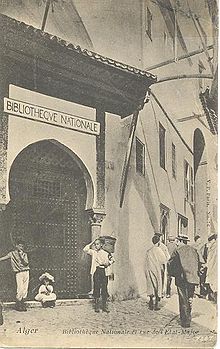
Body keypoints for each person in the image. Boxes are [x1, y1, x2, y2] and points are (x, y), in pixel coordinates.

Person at [168, 235, 200, 328]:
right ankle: (188, 316)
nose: (176, 242)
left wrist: (173, 274)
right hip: (192, 278)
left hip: (181, 279)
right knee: (189, 298)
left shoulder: (177, 250)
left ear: (180, 241)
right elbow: (201, 263)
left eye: (177, 241)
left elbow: (170, 263)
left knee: (183, 299)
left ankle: (185, 321)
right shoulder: (194, 250)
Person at [83, 237, 114, 313]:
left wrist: (108, 263)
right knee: (96, 288)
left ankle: (104, 306)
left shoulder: (106, 253)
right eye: (95, 244)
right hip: (97, 271)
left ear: (101, 245)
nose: (96, 246)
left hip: (104, 271)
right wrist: (92, 242)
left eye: (98, 244)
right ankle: (96, 307)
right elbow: (85, 249)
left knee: (104, 288)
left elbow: (113, 259)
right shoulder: (94, 252)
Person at [0, 239, 29, 311]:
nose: (21, 247)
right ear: (16, 246)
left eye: (22, 246)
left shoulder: (24, 254)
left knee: (25, 289)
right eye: (19, 245)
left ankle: (22, 304)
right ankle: (18, 304)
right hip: (19, 272)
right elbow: (4, 258)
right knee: (20, 288)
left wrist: (22, 256)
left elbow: (26, 263)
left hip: (26, 271)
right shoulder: (12, 253)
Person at [145, 235, 167, 311]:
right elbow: (164, 260)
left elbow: (146, 262)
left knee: (151, 285)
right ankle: (156, 304)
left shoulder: (149, 251)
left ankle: (151, 303)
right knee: (158, 286)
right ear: (158, 242)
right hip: (157, 270)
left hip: (150, 269)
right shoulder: (159, 250)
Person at [154, 232, 170, 297]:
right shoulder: (163, 246)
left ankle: (156, 293)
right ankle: (160, 293)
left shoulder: (152, 246)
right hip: (161, 265)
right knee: (161, 279)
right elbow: (168, 257)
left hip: (154, 265)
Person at [206, 233, 217, 303]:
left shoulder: (215, 247)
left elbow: (212, 259)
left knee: (214, 283)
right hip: (212, 266)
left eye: (211, 240)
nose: (210, 241)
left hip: (214, 267)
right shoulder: (212, 247)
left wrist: (207, 265)